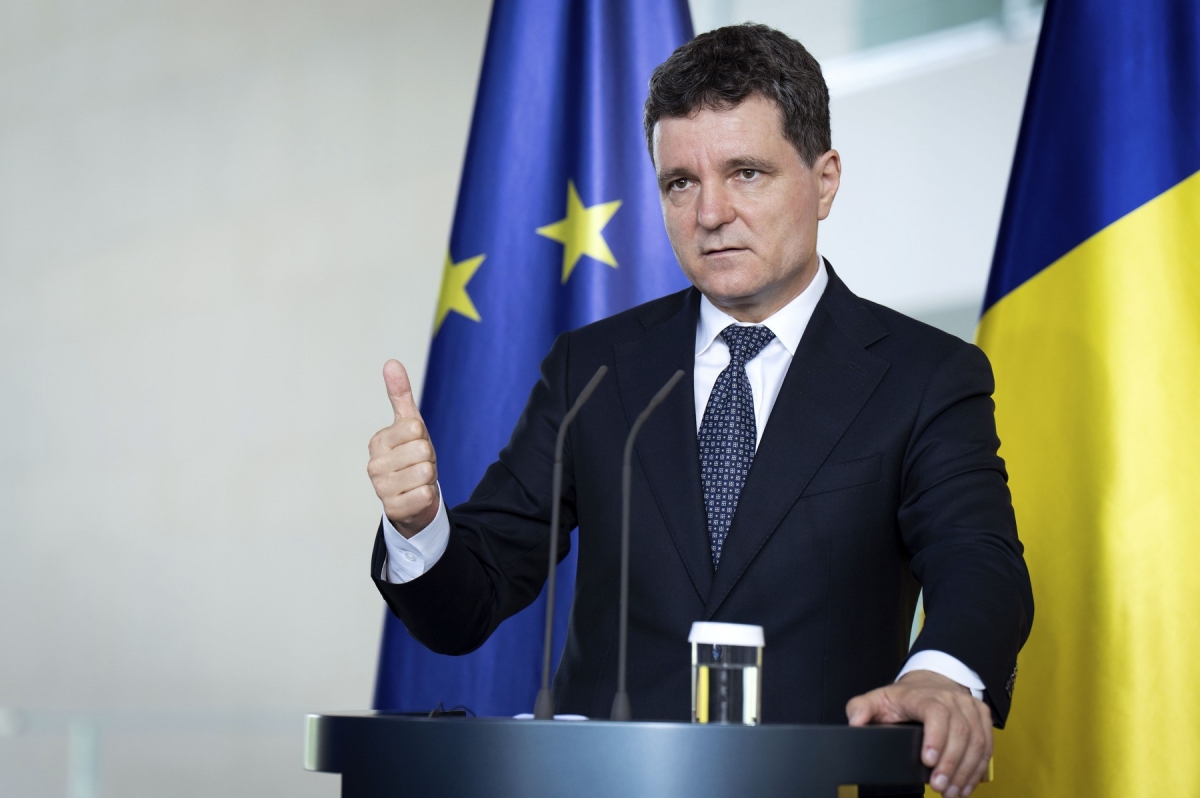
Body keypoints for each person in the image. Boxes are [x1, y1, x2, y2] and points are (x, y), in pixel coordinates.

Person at [366, 24, 1032, 798]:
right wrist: (418, 526)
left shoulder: (926, 375)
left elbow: (979, 561)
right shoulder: (595, 369)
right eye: (680, 182)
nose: (710, 212)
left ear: (824, 180)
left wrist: (942, 676)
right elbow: (466, 606)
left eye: (746, 173)